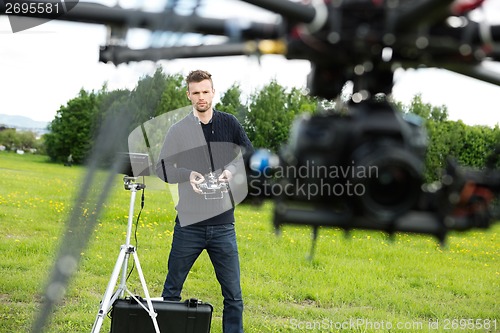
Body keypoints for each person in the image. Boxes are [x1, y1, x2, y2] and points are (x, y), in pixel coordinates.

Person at [155, 69, 253, 333]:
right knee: (171, 291)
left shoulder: (229, 123)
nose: (201, 97)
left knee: (233, 296)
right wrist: (188, 176)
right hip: (189, 224)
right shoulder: (178, 130)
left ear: (213, 92)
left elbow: (249, 154)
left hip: (223, 225)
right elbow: (161, 168)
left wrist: (231, 171)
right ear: (188, 95)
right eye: (195, 92)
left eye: (205, 91)